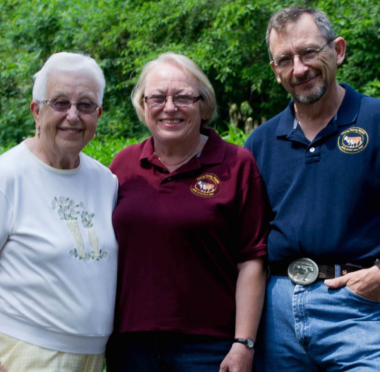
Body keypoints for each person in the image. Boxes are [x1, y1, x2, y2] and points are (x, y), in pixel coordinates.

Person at [107, 52, 268, 372]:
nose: (169, 107)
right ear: (143, 104)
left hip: (210, 347)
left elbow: (252, 261)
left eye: (183, 97)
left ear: (203, 104)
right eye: (157, 97)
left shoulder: (237, 165)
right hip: (131, 344)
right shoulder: (123, 165)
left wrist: (243, 343)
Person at [244, 6, 380, 371]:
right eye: (285, 59)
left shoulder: (376, 120)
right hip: (276, 318)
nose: (298, 69)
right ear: (275, 72)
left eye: (308, 52)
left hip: (361, 310)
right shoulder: (259, 143)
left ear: (337, 50)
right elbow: (245, 242)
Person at [0, 52, 118, 372]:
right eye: (61, 103)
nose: (73, 116)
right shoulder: (8, 176)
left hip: (93, 358)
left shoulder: (105, 181)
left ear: (99, 114)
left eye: (85, 105)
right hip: (23, 353)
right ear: (36, 111)